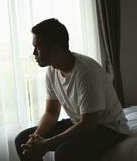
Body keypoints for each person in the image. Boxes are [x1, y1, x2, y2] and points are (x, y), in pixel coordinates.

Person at [15, 18, 129, 161]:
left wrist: (47, 144)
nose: (34, 53)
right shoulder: (52, 71)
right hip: (81, 122)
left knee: (64, 153)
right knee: (22, 140)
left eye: (37, 48)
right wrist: (35, 139)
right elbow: (51, 113)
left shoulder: (86, 70)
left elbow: (89, 123)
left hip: (109, 127)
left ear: (55, 49)